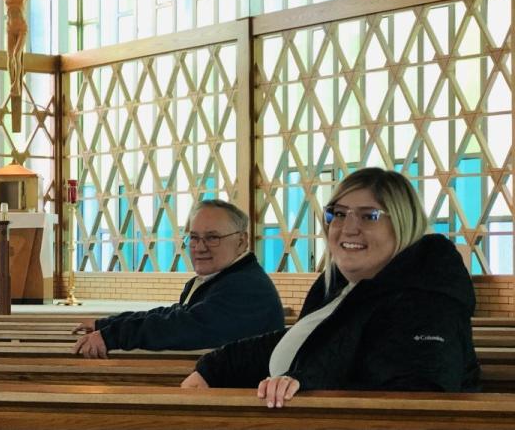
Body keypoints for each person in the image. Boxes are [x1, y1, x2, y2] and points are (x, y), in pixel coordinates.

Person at [182, 168, 480, 408]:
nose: (348, 227)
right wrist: (216, 366)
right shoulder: (343, 287)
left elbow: (417, 396)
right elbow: (309, 342)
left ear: (403, 223)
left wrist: (307, 385)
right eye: (338, 213)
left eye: (368, 216)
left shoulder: (427, 302)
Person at [71, 200, 284, 358]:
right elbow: (173, 314)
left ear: (241, 241)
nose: (200, 247)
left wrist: (112, 336)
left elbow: (183, 327)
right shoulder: (221, 279)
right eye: (194, 237)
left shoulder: (247, 287)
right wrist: (108, 323)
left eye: (212, 237)